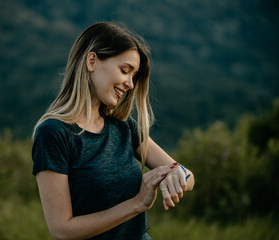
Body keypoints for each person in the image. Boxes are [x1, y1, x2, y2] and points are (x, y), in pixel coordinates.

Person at [31, 22, 194, 240]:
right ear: (92, 61)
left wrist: (175, 173)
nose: (130, 84)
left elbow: (189, 176)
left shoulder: (125, 128)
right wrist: (136, 203)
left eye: (134, 76)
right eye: (125, 71)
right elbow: (61, 230)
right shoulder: (53, 133)